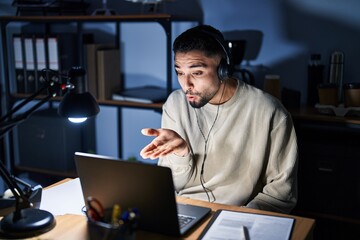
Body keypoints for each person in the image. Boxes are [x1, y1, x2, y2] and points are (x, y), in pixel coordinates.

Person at [140, 25, 298, 214]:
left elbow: (280, 195)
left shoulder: (270, 112)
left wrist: (239, 219)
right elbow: (174, 184)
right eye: (180, 72)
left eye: (197, 73)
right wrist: (180, 154)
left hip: (238, 214)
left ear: (223, 68)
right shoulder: (175, 104)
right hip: (183, 210)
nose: (186, 85)